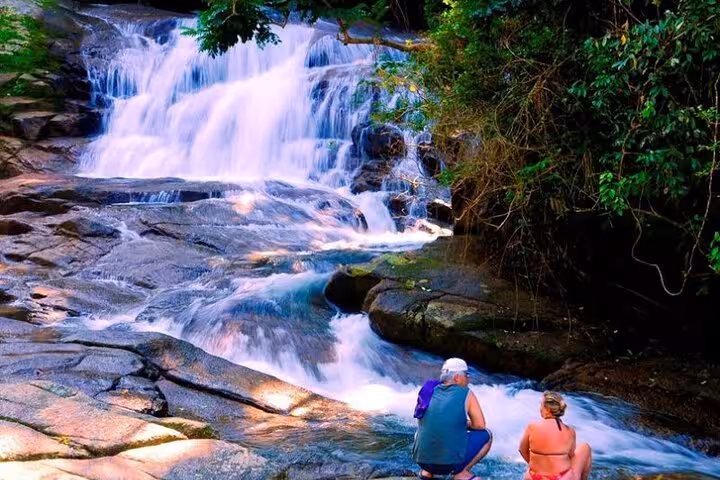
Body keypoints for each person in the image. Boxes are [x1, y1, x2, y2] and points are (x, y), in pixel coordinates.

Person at [412, 358, 492, 480]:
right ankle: (461, 473)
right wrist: (463, 423)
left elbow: (423, 420)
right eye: (466, 375)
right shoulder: (466, 392)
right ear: (457, 377)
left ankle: (427, 472)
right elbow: (480, 425)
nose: (468, 379)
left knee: (423, 430)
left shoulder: (427, 389)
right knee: (487, 434)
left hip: (421, 460)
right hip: (449, 464)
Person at [518, 391, 592, 480]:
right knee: (585, 447)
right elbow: (571, 456)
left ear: (548, 409)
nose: (540, 408)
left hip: (534, 477)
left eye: (541, 405)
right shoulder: (570, 431)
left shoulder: (532, 427)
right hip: (560, 478)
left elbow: (521, 450)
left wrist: (537, 463)